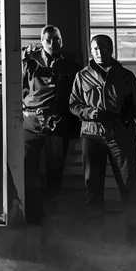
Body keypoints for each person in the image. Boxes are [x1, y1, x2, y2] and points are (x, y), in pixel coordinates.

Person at [68, 34, 136, 249]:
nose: (98, 51)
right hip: (92, 135)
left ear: (111, 49)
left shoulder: (125, 76)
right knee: (93, 188)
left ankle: (135, 237)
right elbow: (73, 104)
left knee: (129, 185)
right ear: (91, 50)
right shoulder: (82, 76)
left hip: (120, 136)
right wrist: (90, 112)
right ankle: (96, 238)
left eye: (103, 48)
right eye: (95, 48)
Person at [21, 25, 81, 225]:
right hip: (31, 121)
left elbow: (75, 95)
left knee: (55, 172)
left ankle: (50, 218)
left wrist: (61, 115)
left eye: (56, 39)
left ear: (61, 41)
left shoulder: (70, 65)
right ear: (41, 41)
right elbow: (16, 84)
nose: (53, 43)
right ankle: (30, 215)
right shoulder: (29, 63)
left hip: (56, 122)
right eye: (48, 39)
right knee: (29, 170)